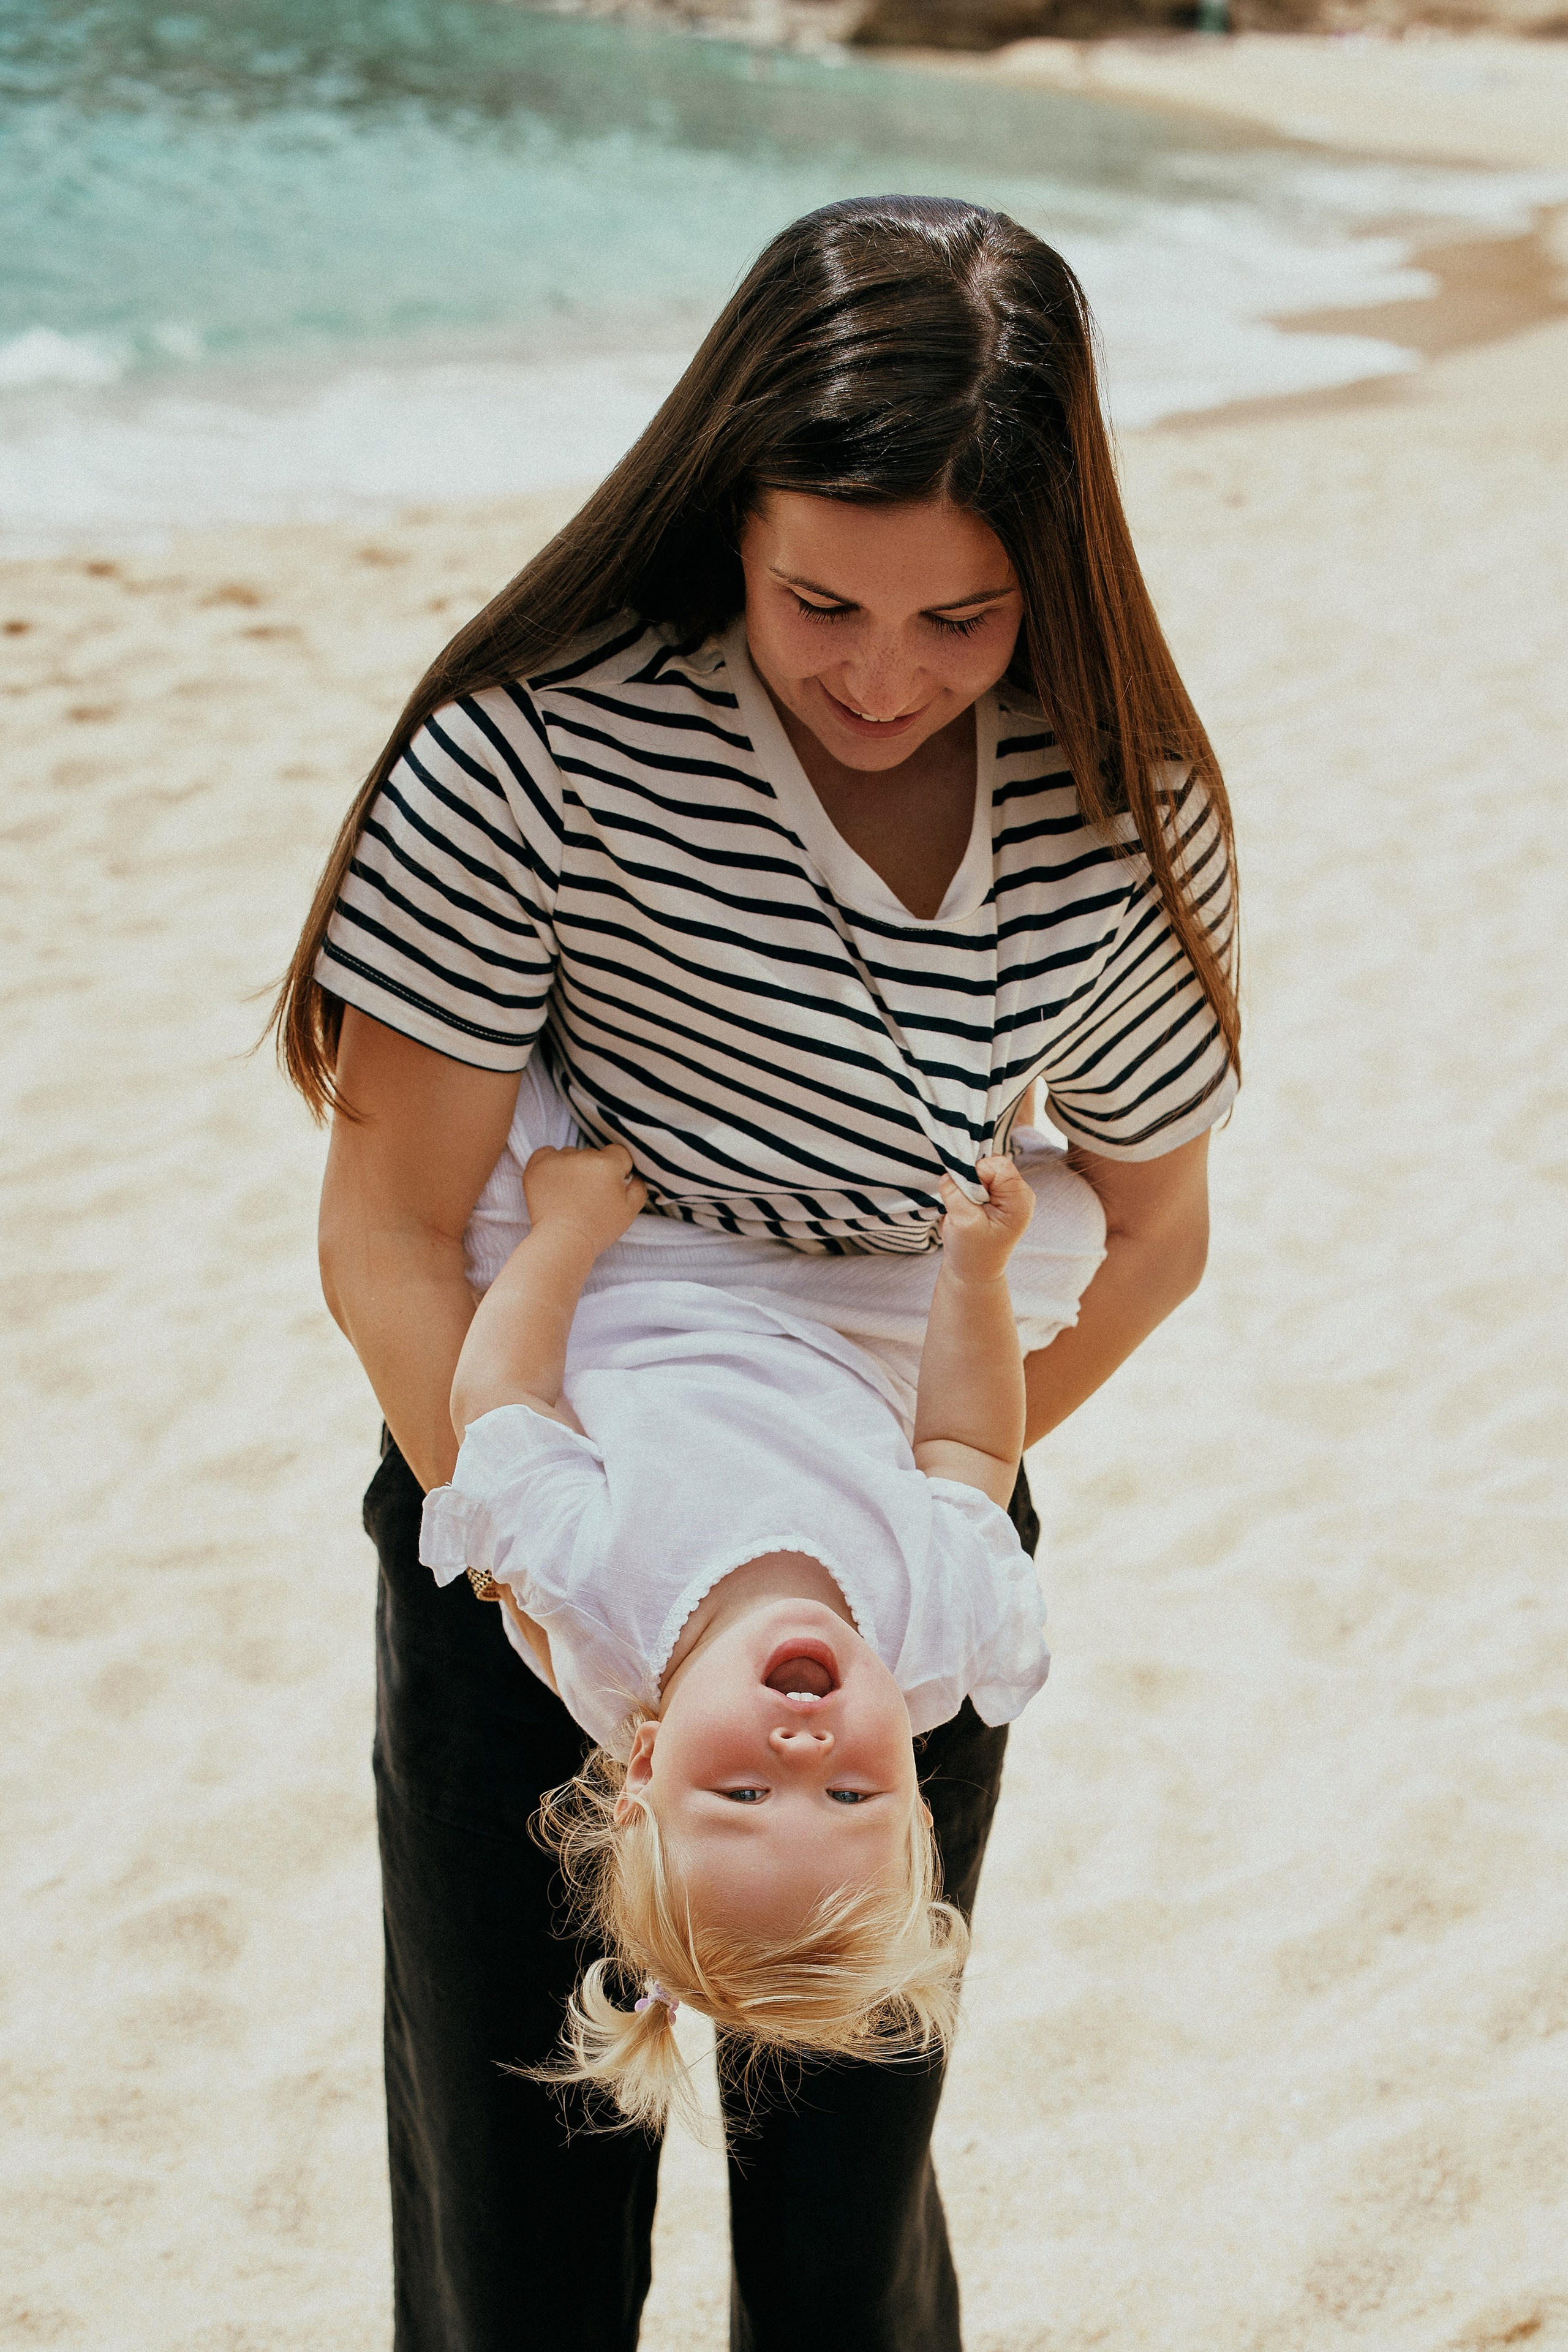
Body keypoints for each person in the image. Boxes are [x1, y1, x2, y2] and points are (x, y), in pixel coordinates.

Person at [274, 193, 1238, 2351]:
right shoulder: (533, 748)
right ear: (726, 510)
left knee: (847, 2233)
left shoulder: (1119, 806)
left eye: (966, 621)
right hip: (510, 1532)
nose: (885, 679)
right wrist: (553, 1571)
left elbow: (1155, 1233)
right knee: (517, 2236)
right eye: (822, 603)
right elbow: (392, 1228)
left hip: (886, 1575)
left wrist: (887, 1514)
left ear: (1051, 581)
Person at [420, 1091, 1066, 2135]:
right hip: (851, 1305)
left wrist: (567, 1233)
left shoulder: (599, 1589)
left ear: (644, 1762)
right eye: (854, 1795)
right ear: (915, 1781)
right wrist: (975, 1277)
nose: (804, 1749)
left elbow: (499, 1398)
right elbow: (968, 1447)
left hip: (630, 1278)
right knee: (1042, 1203)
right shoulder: (935, 1629)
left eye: (744, 1790)